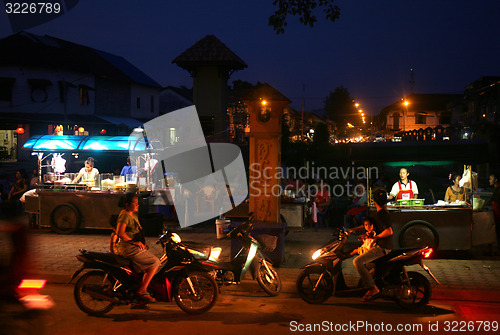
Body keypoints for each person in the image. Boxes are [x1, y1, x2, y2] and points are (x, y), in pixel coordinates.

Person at [115, 193, 161, 303]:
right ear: (127, 204)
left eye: (138, 203)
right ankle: (142, 290)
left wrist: (143, 243)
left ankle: (136, 300)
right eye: (135, 203)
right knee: (155, 262)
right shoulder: (125, 215)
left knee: (139, 272)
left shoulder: (133, 215)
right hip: (127, 248)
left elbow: (138, 231)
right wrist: (134, 242)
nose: (137, 205)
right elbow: (120, 233)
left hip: (134, 247)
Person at [352, 188, 393, 302]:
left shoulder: (382, 214)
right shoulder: (381, 212)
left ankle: (372, 288)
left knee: (357, 261)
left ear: (374, 200)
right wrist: (353, 230)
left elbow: (389, 231)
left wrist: (376, 237)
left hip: (383, 248)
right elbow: (369, 225)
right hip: (382, 245)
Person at [484, 173, 500, 248]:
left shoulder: (498, 190)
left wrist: (482, 205)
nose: (489, 180)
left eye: (491, 179)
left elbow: (491, 200)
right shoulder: (496, 189)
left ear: (496, 180)